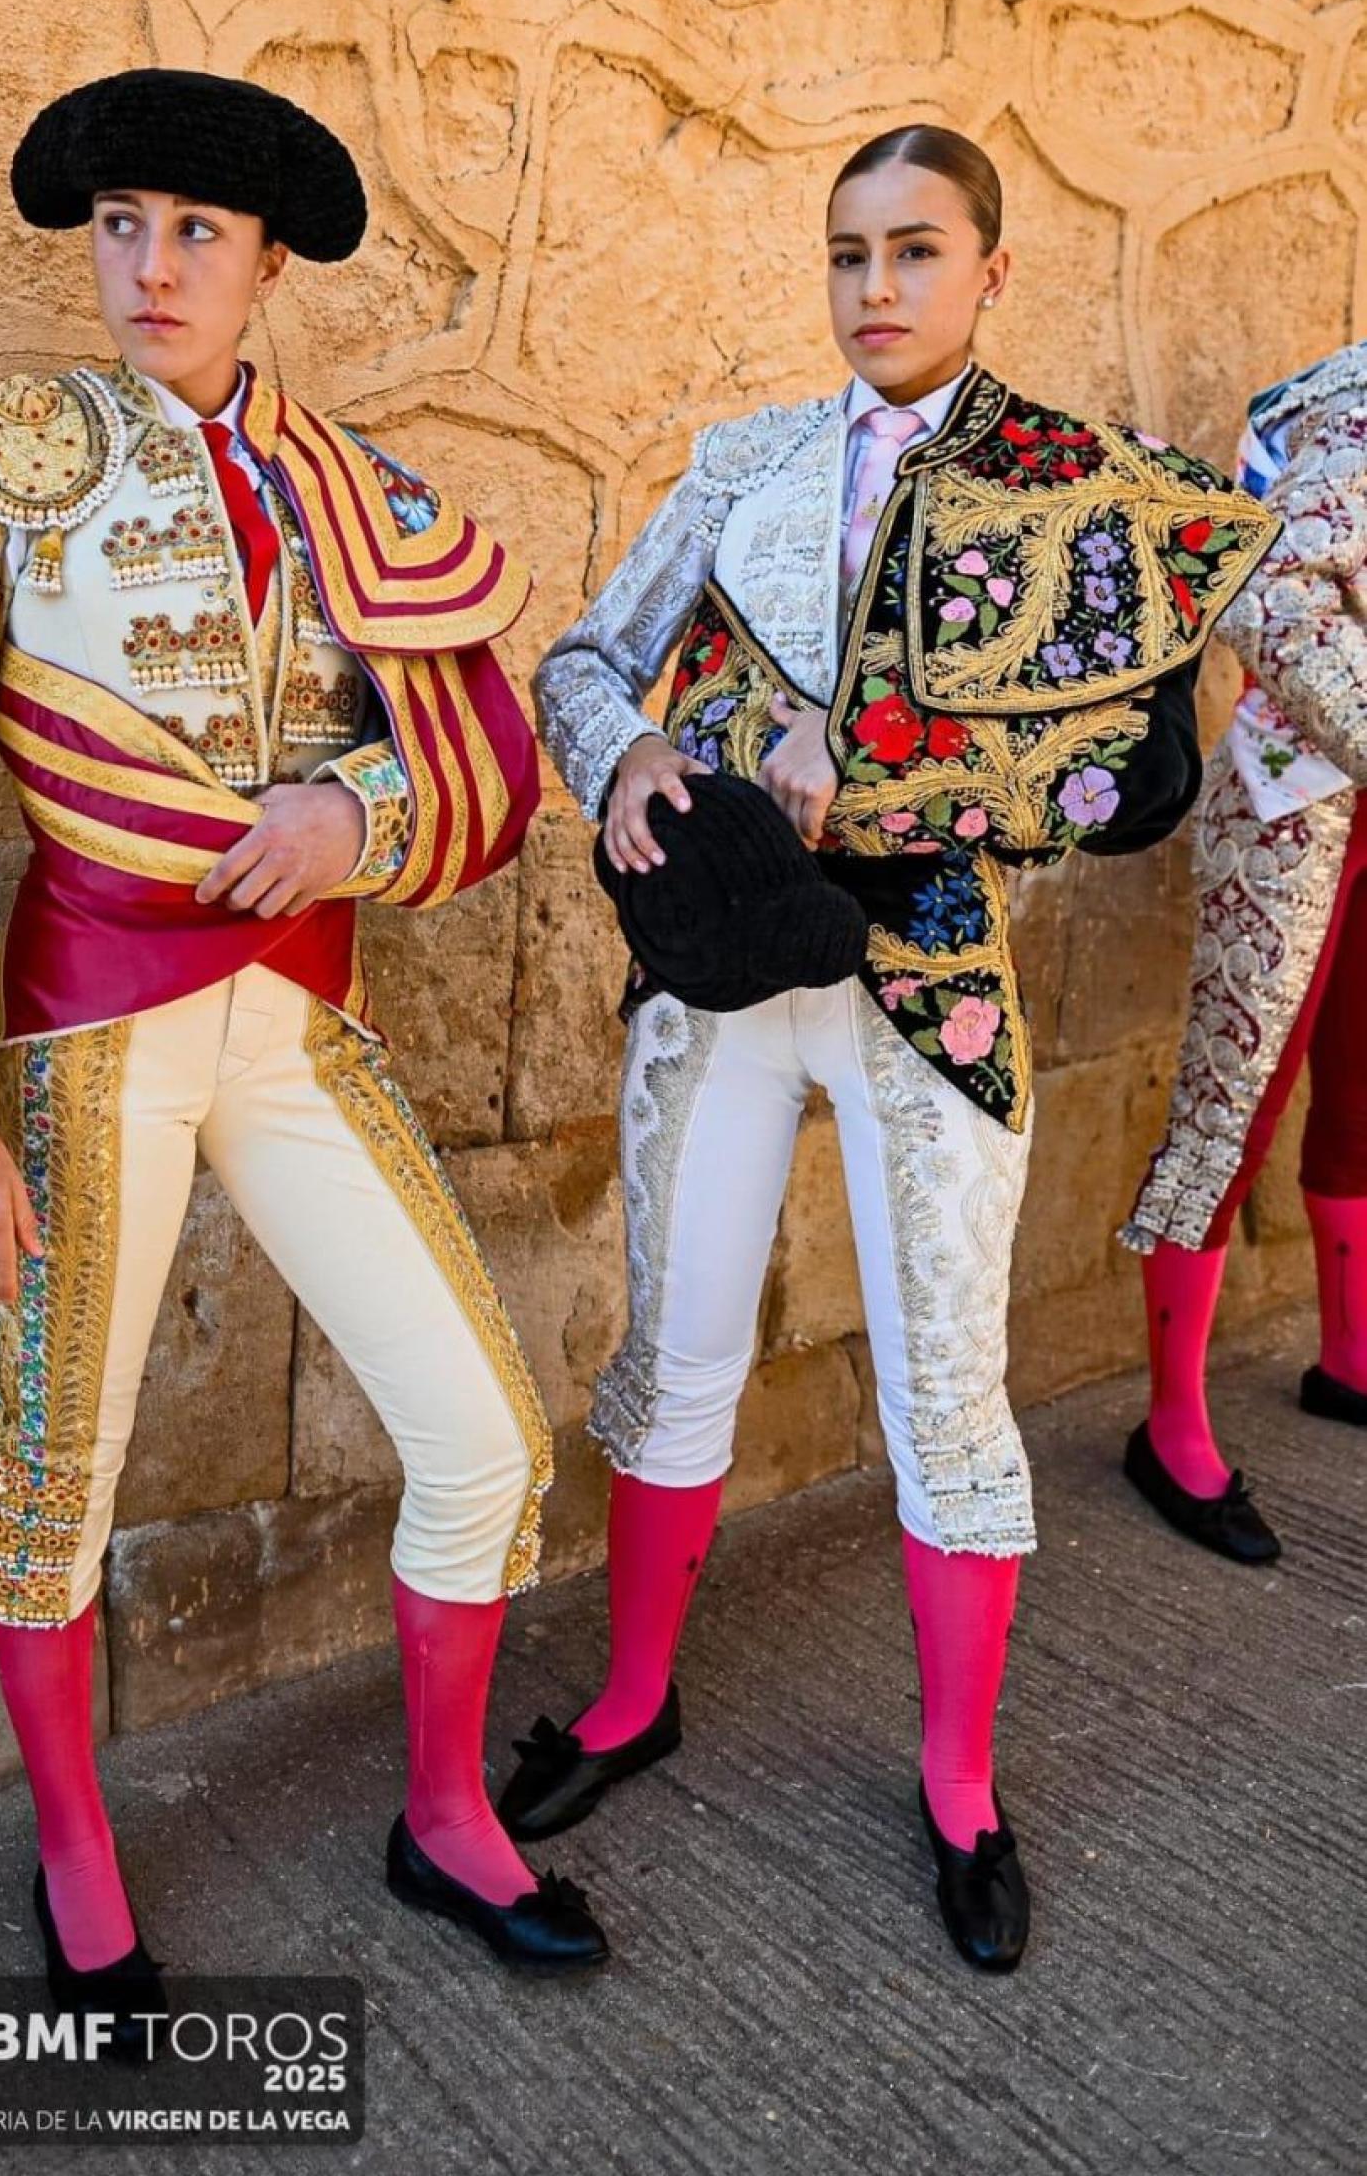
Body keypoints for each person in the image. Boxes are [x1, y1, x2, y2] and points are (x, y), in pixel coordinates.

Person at [0, 68, 610, 2026]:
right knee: (56, 1483)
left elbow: (467, 751)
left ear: (270, 262)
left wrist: (353, 812)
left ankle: (443, 1814)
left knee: (482, 1439)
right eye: (122, 225)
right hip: (92, 1032)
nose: (151, 265)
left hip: (293, 1012)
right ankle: (80, 1854)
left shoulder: (344, 480)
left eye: (196, 230)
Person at [501, 123, 1277, 1972]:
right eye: (848, 253)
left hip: (932, 972)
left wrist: (895, 775)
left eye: (916, 253)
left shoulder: (1074, 486)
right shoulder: (744, 461)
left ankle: (957, 1787)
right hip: (725, 972)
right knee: (675, 1346)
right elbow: (582, 659)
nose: (875, 290)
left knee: (944, 1387)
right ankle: (628, 1700)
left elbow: (1119, 778)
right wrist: (622, 757)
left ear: (990, 270)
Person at [1120, 338, 1367, 1562]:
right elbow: (1267, 596)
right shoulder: (1351, 405)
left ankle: (1349, 1353)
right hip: (1294, 798)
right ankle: (1167, 1421)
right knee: (1232, 1104)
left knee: (1363, 1086)